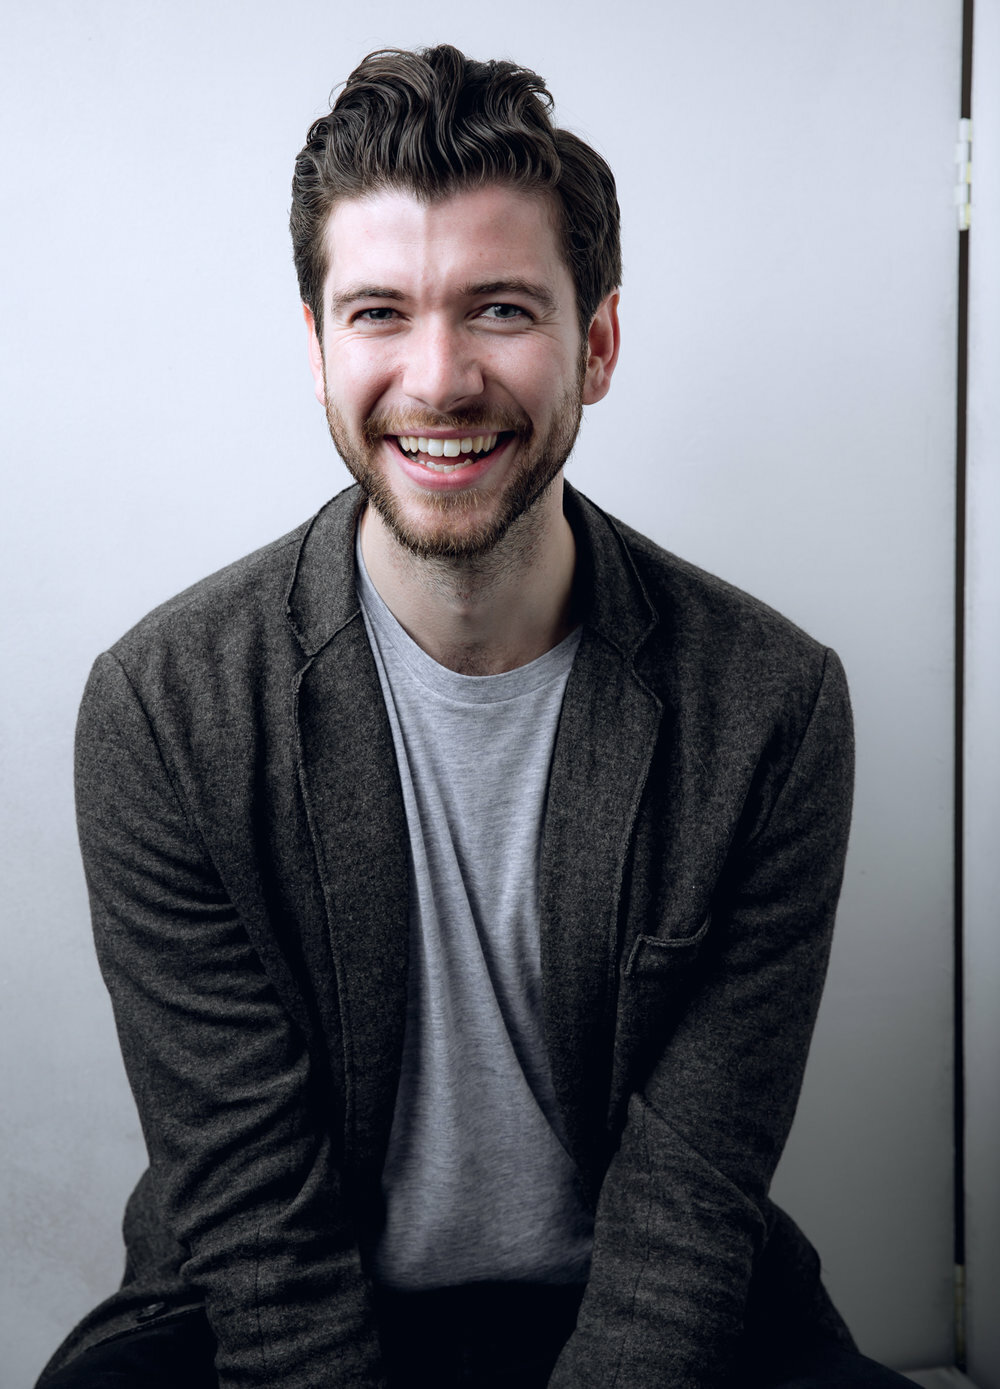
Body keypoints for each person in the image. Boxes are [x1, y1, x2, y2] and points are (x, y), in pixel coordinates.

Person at [37, 44, 913, 1389]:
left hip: (647, 1310)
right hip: (271, 1314)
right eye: (379, 312)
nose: (438, 378)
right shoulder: (162, 710)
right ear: (318, 349)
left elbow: (688, 1210)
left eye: (499, 308)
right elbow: (261, 1236)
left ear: (596, 344)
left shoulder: (770, 707)